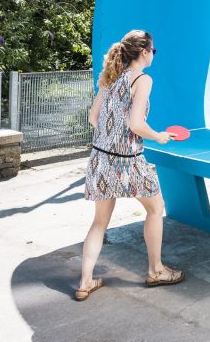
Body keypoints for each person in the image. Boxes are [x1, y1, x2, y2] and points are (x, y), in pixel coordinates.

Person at [75, 29, 185, 301]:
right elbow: (135, 123)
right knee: (156, 208)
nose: (153, 55)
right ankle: (156, 270)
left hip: (100, 159)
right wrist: (158, 136)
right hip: (127, 162)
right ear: (144, 52)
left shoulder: (110, 77)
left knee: (100, 222)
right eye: (153, 51)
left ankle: (85, 282)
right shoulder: (143, 79)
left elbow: (93, 117)